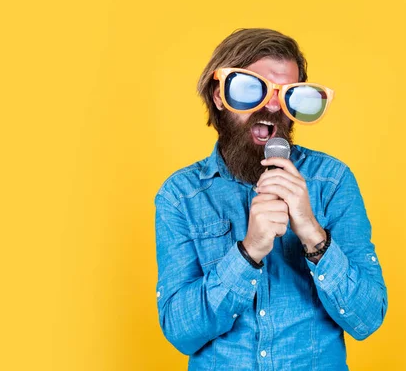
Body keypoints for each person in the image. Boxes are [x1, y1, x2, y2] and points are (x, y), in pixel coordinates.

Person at [154, 28, 388, 370]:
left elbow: (367, 318)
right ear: (220, 96)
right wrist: (248, 253)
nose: (273, 106)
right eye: (252, 89)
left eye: (288, 94)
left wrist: (312, 234)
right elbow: (180, 331)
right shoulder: (180, 196)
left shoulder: (332, 181)